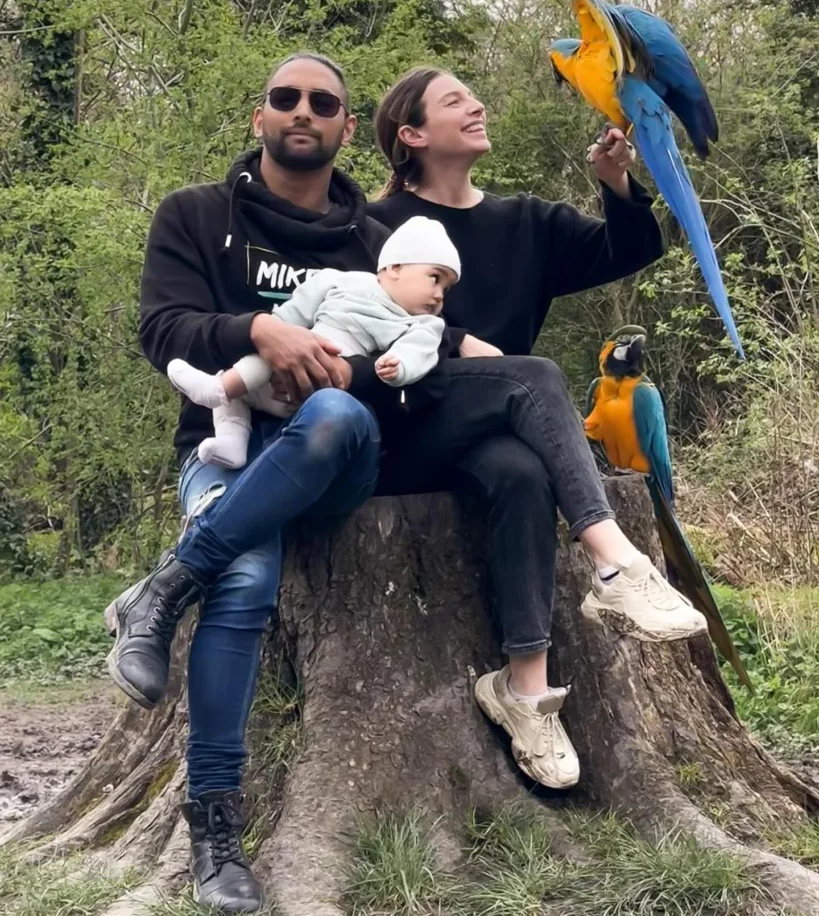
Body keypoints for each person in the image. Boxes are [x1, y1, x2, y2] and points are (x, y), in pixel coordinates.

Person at [105, 53, 462, 913]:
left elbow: (417, 357)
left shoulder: (378, 245)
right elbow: (163, 332)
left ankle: (164, 585)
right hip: (225, 446)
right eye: (284, 98)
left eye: (324, 103)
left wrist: (345, 375)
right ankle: (214, 828)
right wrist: (261, 329)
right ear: (259, 116)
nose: (303, 111)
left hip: (332, 459)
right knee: (247, 578)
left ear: (346, 128)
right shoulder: (194, 214)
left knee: (339, 418)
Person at [367, 66, 706, 790]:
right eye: (455, 100)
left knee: (522, 475)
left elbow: (631, 249)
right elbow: (352, 317)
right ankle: (615, 564)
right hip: (406, 426)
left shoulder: (525, 223)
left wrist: (613, 181)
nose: (478, 103)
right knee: (539, 373)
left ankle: (524, 692)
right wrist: (454, 340)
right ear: (412, 135)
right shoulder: (377, 228)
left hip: (494, 440)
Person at [165, 216, 460, 468]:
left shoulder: (423, 324)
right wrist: (274, 331)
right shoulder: (343, 281)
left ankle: (218, 389)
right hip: (280, 366)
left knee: (262, 369)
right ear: (395, 267)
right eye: (434, 278)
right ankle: (231, 440)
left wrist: (399, 367)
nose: (439, 296)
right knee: (255, 371)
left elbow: (417, 353)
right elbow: (299, 307)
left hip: (315, 388)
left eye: (446, 289)